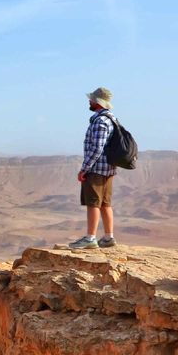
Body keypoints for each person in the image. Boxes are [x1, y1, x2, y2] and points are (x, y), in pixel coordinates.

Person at [69, 87, 118, 249]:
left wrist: (85, 168)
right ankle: (108, 237)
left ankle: (90, 238)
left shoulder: (100, 121)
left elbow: (97, 148)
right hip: (109, 169)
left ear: (97, 102)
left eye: (91, 99)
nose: (89, 101)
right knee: (105, 203)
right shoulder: (111, 119)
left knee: (93, 203)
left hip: (97, 169)